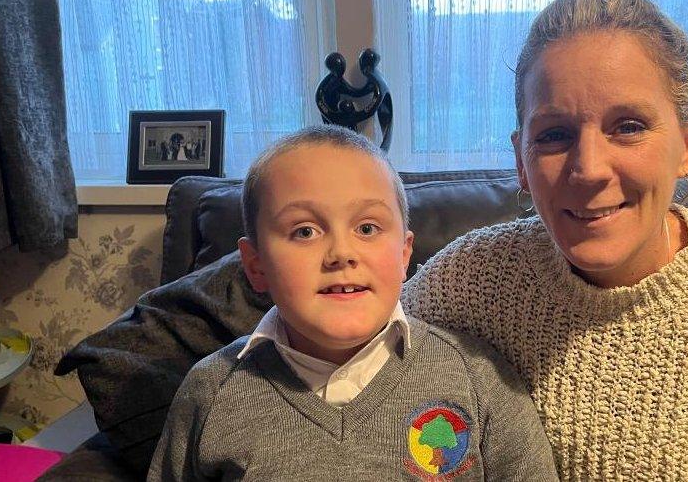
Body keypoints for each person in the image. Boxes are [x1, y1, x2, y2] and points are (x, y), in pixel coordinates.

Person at [402, 0, 688, 481]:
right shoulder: (464, 285)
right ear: (520, 161)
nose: (590, 169)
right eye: (554, 135)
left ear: (687, 144)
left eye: (629, 126)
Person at [148, 125, 558, 481]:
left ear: (403, 254)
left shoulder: (480, 381)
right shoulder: (210, 391)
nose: (341, 253)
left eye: (367, 227)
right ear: (256, 266)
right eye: (304, 231)